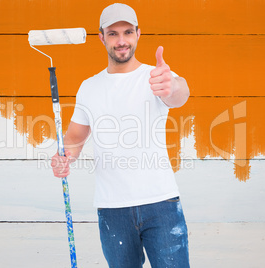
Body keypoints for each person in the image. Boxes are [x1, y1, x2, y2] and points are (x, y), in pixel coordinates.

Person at [51, 3, 190, 267]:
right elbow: (74, 139)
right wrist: (63, 157)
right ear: (101, 37)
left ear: (138, 34)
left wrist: (171, 84)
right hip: (112, 209)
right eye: (113, 34)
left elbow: (179, 94)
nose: (121, 40)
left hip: (161, 204)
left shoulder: (156, 77)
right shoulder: (89, 88)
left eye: (127, 32)